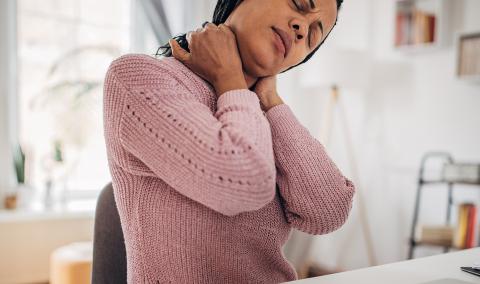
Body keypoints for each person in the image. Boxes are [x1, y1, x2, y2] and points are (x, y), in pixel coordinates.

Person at [103, 0, 355, 283]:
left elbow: (328, 211)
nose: (301, 30)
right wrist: (230, 78)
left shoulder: (259, 112)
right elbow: (242, 184)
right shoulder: (138, 77)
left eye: (312, 37)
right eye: (298, 4)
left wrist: (271, 101)